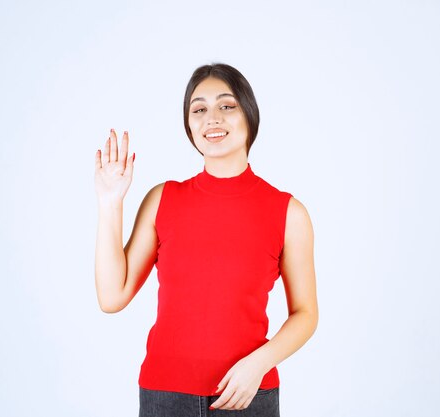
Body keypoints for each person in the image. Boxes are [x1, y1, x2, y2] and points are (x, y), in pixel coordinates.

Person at [94, 63, 318, 416]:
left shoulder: (289, 213)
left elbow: (305, 314)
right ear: (189, 126)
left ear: (249, 115)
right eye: (198, 110)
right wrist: (110, 203)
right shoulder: (162, 199)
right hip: (163, 396)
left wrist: (258, 364)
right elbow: (111, 296)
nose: (211, 117)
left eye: (226, 106)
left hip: (247, 395)